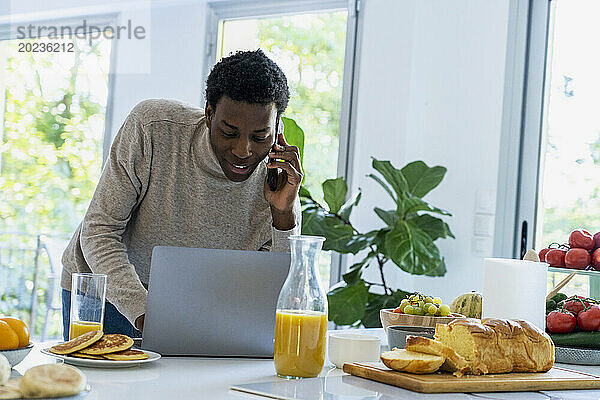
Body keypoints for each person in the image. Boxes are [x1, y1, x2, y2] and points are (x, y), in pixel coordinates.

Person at [60, 50, 302, 340]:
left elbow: (276, 287)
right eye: (229, 132)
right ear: (209, 114)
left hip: (200, 309)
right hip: (107, 293)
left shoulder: (279, 180)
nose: (243, 150)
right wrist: (149, 315)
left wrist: (283, 215)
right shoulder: (152, 128)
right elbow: (99, 231)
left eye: (260, 136)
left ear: (278, 129)